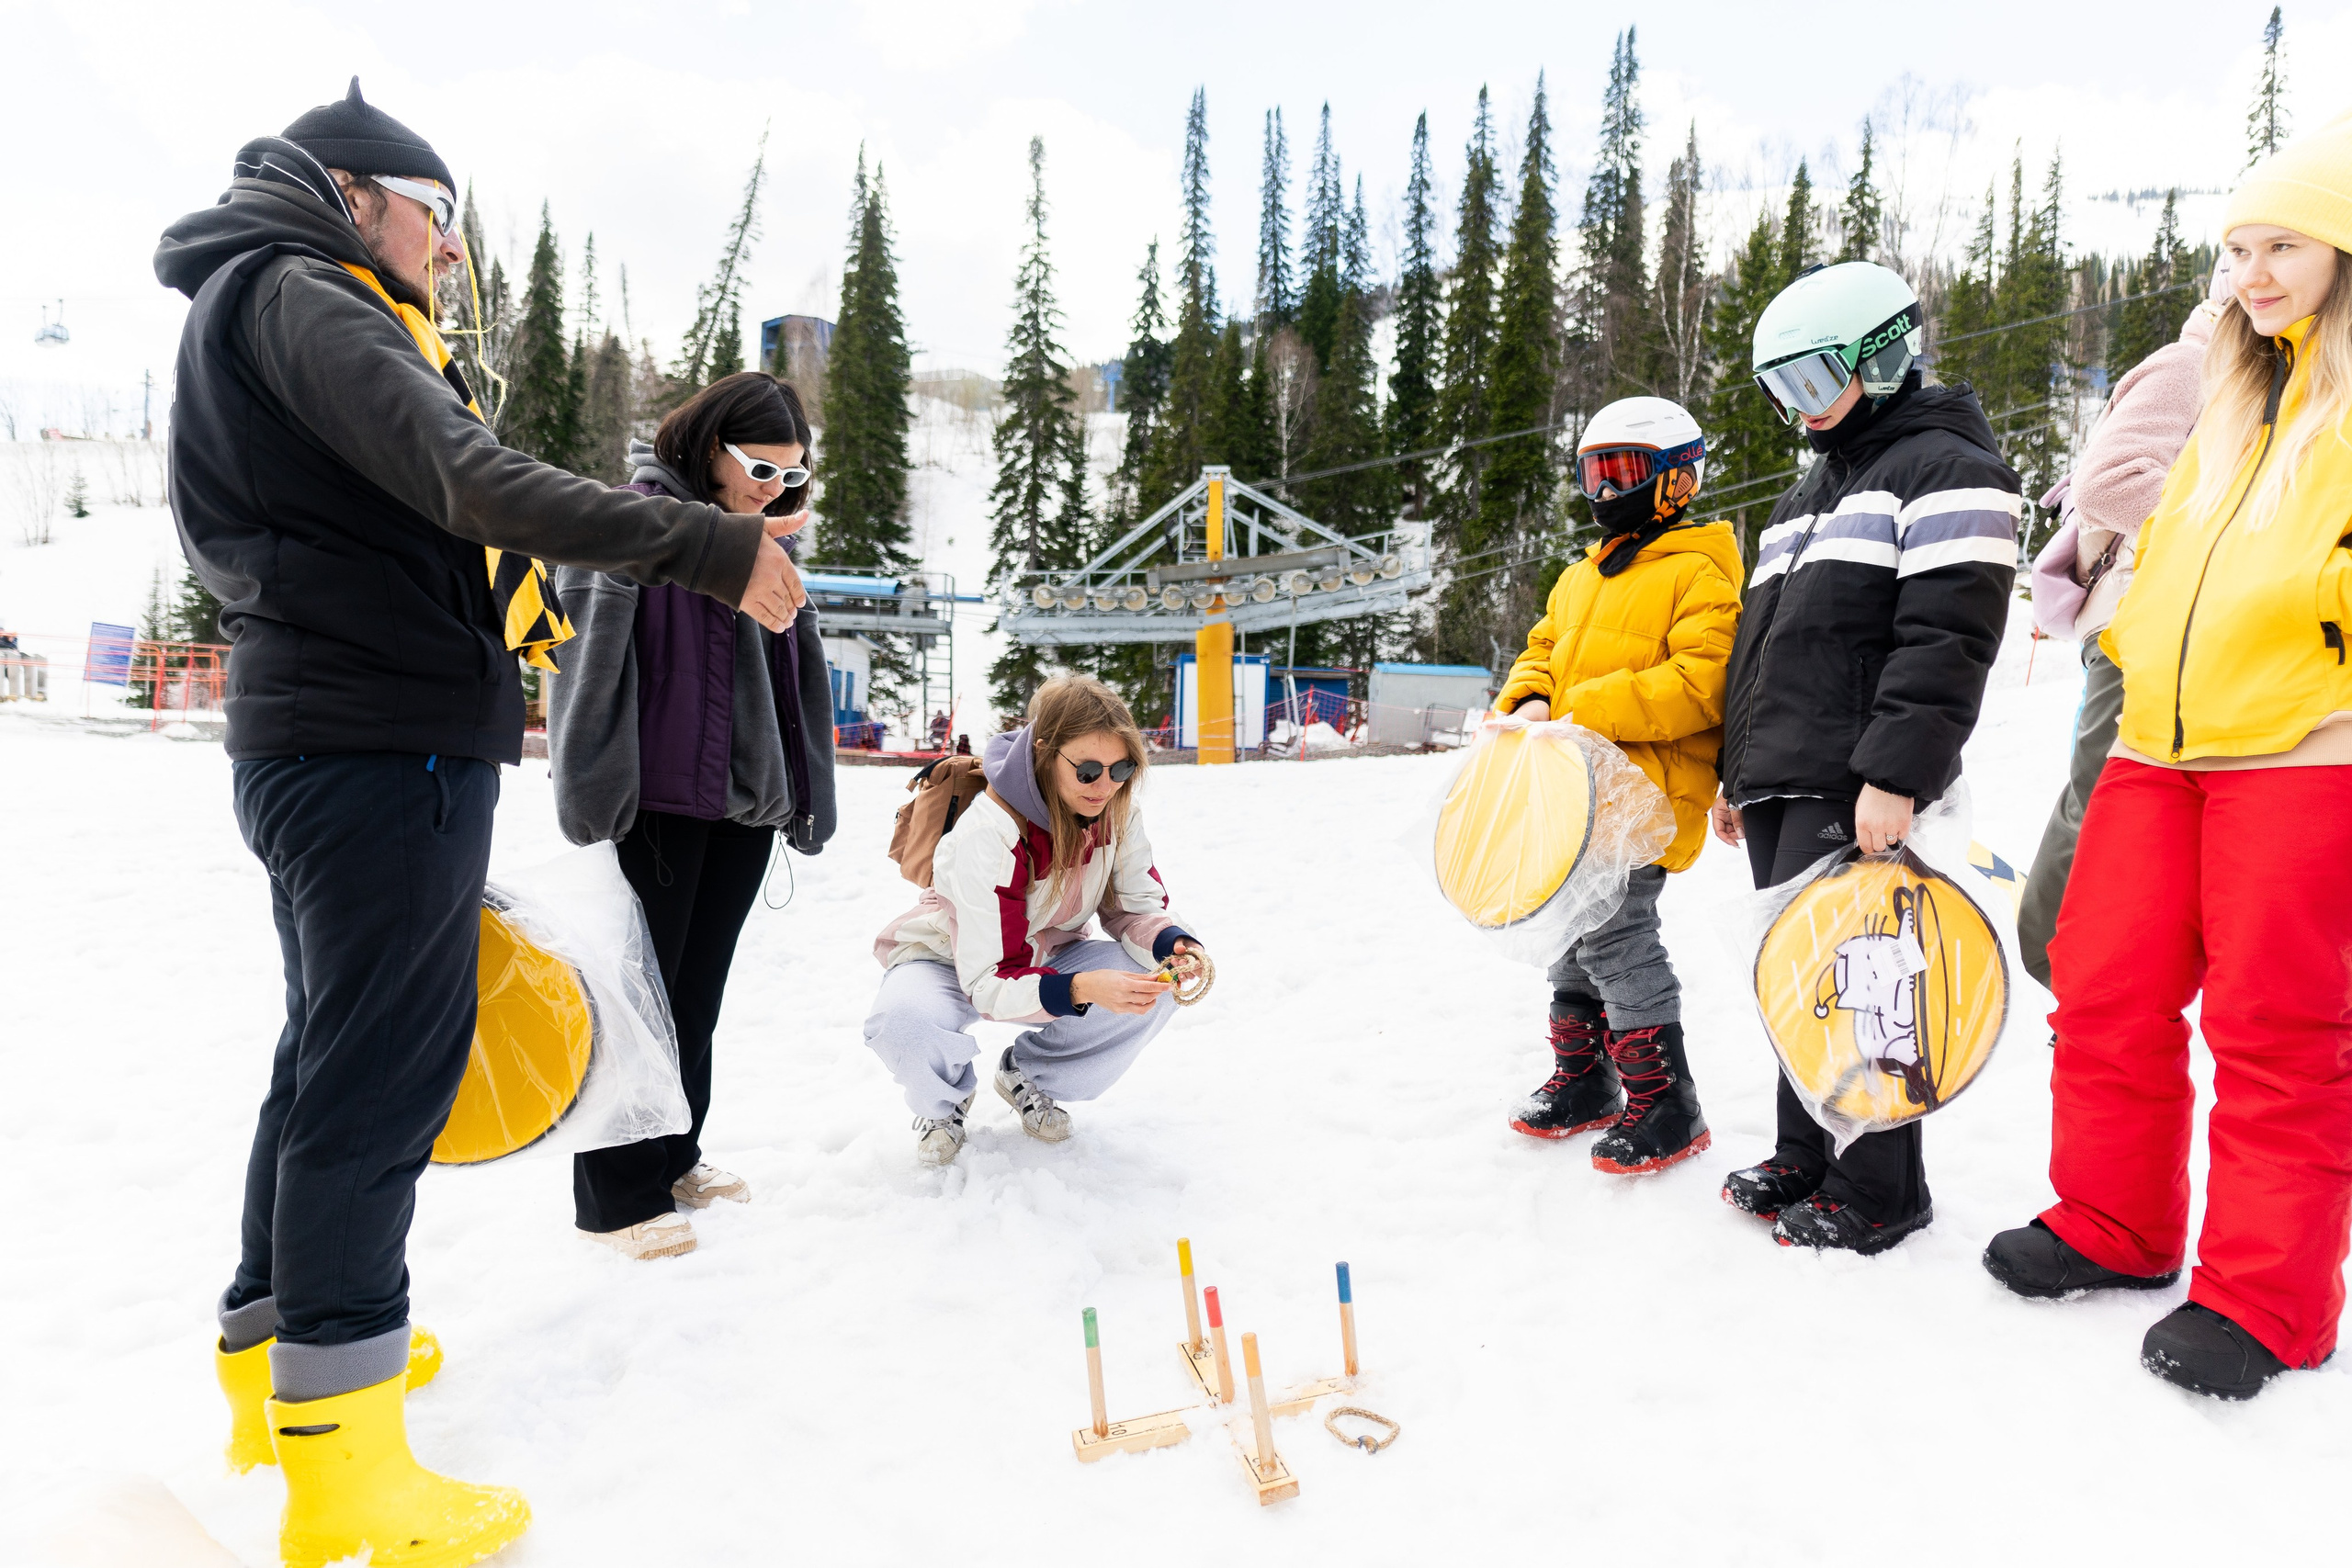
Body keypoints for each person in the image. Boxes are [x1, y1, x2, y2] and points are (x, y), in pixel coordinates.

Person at [154, 81, 803, 1565]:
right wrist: (713, 546)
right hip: (376, 740)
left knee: (326, 1052)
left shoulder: (259, 300)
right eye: (436, 217)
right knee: (380, 1079)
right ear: (353, 191)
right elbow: (469, 480)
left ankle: (277, 1371)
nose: (447, 253)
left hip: (335, 728)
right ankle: (350, 1464)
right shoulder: (313, 295)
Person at [1984, 118, 2352, 1400]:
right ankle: (2113, 1220)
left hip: (2305, 747)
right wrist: (2135, 635)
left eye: (2282, 245)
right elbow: (2167, 539)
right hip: (2160, 736)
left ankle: (2265, 1299)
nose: (2251, 272)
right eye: (2239, 247)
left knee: (2277, 1026)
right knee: (2104, 978)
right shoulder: (2235, 387)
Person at [1710, 260, 2022, 1256]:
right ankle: (1807, 1152)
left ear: (1882, 359)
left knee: (1867, 983)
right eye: (1780, 393)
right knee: (1795, 973)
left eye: (1813, 383)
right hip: (1781, 773)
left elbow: (1946, 642)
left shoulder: (1946, 468)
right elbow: (1763, 644)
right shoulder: (1816, 487)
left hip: (1858, 777)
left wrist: (1895, 775)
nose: (1797, 412)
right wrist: (1735, 770)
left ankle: (1880, 1186)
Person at [547, 373, 839, 1260]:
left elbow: (800, 673)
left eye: (791, 477)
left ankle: (673, 1158)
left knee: (695, 1000)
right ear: (708, 445)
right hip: (658, 805)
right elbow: (584, 665)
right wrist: (594, 793)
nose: (772, 489)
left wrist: (804, 790)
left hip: (741, 810)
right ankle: (614, 1198)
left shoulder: (759, 540)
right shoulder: (635, 523)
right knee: (637, 1000)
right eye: (759, 468)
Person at [1491, 397, 1741, 1175]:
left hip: (1646, 793)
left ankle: (1666, 1100)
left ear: (1675, 480)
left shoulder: (1700, 571)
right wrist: (1529, 696)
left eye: (1624, 472)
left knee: (1617, 932)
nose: (1605, 492)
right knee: (1570, 925)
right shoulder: (1578, 579)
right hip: (1572, 794)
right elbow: (1543, 649)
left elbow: (1702, 682)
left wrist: (1579, 707)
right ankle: (1586, 1078)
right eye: (1594, 473)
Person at [865, 676, 1203, 1165]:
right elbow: (989, 980)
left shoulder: (1116, 809)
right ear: (1045, 752)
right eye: (1088, 770)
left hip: (1047, 951)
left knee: (1156, 981)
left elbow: (1136, 905)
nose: (1106, 785)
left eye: (1122, 768)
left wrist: (1173, 945)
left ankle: (1028, 1075)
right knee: (904, 1022)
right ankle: (945, 1104)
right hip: (949, 959)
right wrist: (1084, 988)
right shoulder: (988, 832)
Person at [2016, 262, 2229, 987]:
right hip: (2134, 620)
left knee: (2155, 800)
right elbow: (2108, 484)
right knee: (2107, 787)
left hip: (2191, 623)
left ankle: (2113, 956)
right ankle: (2058, 955)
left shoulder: (2255, 384)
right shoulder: (2190, 364)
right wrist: (2241, 519)